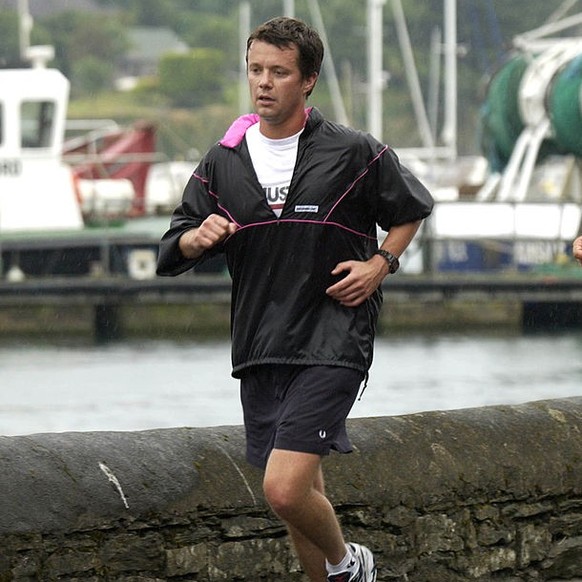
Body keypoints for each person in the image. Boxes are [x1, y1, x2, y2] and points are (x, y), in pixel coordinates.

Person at [157, 16, 433, 582]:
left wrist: (380, 264)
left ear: (307, 81)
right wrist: (196, 236)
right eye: (256, 70)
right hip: (260, 343)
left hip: (334, 335)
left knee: (282, 490)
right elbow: (172, 247)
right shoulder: (221, 161)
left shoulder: (353, 151)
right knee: (303, 491)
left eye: (279, 72)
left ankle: (349, 563)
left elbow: (410, 209)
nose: (263, 82)